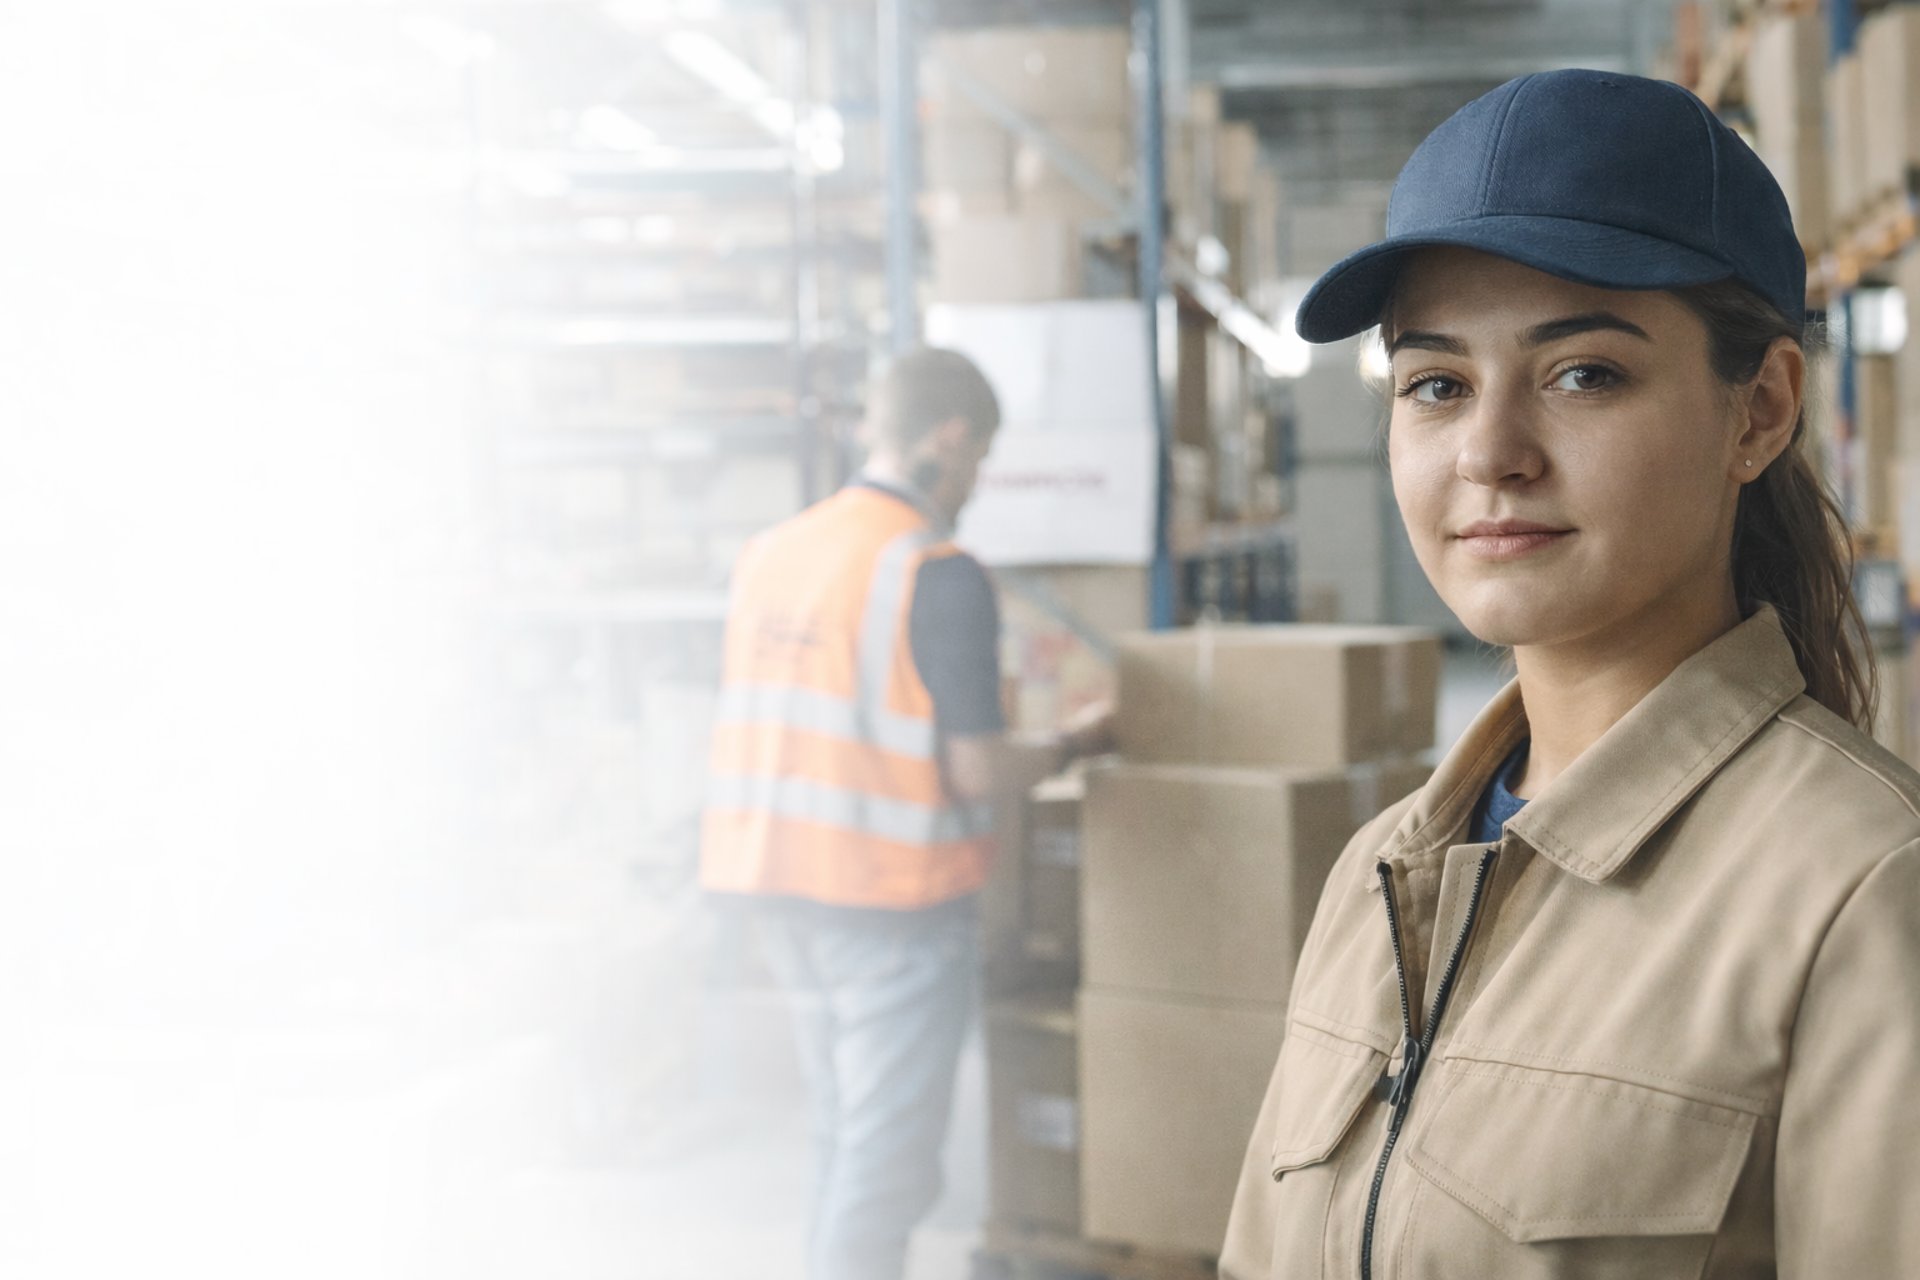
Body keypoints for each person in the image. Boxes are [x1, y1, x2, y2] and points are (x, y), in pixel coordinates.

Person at [1222, 69, 1920, 1279]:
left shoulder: (1860, 893)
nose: (1491, 453)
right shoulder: (1380, 875)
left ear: (1758, 411)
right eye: (1436, 384)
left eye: (1582, 372)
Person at [700, 346, 1111, 1280]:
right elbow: (975, 770)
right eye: (982, 459)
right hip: (888, 905)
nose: (976, 484)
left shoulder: (774, 552)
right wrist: (1080, 743)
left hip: (774, 887)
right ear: (949, 438)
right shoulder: (936, 569)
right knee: (887, 1166)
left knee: (844, 1139)